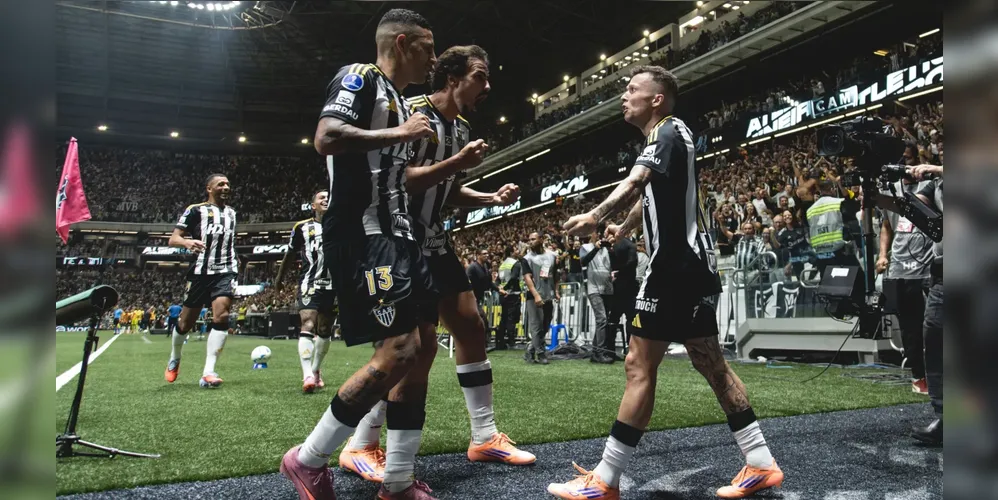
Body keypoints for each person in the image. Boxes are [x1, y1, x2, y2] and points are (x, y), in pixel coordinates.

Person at [557, 65, 783, 500]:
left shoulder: (666, 130)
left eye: (632, 89)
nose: (624, 96)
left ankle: (604, 479)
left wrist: (596, 215)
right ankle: (760, 462)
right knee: (711, 364)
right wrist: (625, 226)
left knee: (639, 365)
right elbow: (651, 193)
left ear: (656, 98)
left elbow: (638, 179)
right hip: (691, 268)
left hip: (672, 269)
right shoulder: (671, 136)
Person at [336, 44, 533, 490]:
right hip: (399, 240)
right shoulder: (412, 114)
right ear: (452, 77)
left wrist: (489, 197)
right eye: (480, 76)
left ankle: (484, 437)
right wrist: (457, 163)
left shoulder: (461, 128)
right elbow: (398, 181)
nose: (487, 86)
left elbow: (448, 189)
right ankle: (361, 443)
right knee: (410, 350)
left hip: (435, 239)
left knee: (471, 326)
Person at [280, 9, 441, 500]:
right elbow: (327, 136)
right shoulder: (360, 77)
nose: (434, 59)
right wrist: (401, 133)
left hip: (401, 234)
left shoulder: (400, 98)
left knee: (422, 351)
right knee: (398, 350)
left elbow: (395, 175)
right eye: (428, 48)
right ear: (402, 42)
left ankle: (398, 481)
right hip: (364, 232)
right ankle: (308, 458)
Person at [164, 173, 239, 388]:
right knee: (185, 323)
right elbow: (173, 239)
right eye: (220, 184)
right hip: (199, 272)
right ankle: (175, 356)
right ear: (209, 188)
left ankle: (209, 371)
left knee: (222, 315)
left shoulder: (232, 213)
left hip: (225, 270)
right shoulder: (195, 210)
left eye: (227, 184)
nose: (226, 187)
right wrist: (187, 243)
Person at [877, 170, 935, 395]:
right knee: (910, 328)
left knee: (937, 324)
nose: (906, 169)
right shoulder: (890, 191)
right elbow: (886, 226)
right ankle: (918, 376)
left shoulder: (932, 186)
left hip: (929, 267)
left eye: (910, 162)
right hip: (901, 269)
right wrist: (883, 254)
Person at [275, 190, 336, 394]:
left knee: (325, 329)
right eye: (321, 198)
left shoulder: (341, 224)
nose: (326, 199)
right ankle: (307, 374)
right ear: (313, 206)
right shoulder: (302, 227)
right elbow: (290, 254)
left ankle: (316, 369)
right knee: (308, 323)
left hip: (333, 285)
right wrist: (279, 278)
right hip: (309, 283)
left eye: (328, 197)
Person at [522, 231, 558, 365]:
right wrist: (536, 295)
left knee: (546, 325)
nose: (530, 242)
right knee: (536, 326)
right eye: (529, 239)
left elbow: (556, 274)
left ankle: (530, 349)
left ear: (541, 239)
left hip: (548, 295)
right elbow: (527, 278)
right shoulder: (526, 258)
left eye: (533, 239)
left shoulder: (552, 256)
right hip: (533, 296)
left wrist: (556, 291)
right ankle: (541, 353)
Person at [580, 230, 613, 363]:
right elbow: (583, 261)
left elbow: (615, 263)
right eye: (596, 233)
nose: (599, 236)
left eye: (601, 234)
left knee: (603, 321)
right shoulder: (586, 247)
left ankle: (595, 352)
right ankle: (600, 352)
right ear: (591, 235)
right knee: (602, 319)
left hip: (607, 288)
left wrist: (612, 247)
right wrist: (596, 248)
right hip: (593, 287)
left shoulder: (608, 249)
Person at [496, 243, 528, 350]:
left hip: (503, 295)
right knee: (512, 318)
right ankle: (511, 342)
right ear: (511, 252)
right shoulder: (515, 263)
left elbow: (498, 280)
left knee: (504, 318)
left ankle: (501, 340)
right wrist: (506, 288)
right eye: (516, 250)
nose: (518, 251)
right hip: (513, 294)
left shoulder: (502, 264)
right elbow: (514, 278)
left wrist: (501, 289)